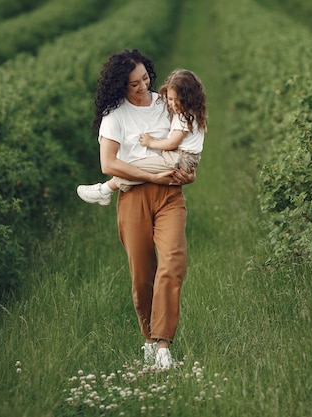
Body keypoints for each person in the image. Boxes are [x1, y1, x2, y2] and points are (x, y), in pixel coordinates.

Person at [78, 49, 197, 369]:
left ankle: (162, 345)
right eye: (133, 84)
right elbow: (108, 163)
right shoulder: (114, 116)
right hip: (134, 199)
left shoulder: (165, 104)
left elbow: (188, 138)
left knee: (172, 263)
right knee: (142, 274)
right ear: (120, 86)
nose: (143, 86)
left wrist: (189, 169)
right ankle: (147, 338)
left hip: (171, 195)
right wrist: (148, 174)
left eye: (145, 78)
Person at [76, 68, 207, 205]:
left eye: (179, 100)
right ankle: (104, 191)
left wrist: (151, 142)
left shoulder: (185, 117)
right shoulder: (191, 112)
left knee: (135, 167)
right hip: (182, 158)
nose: (173, 104)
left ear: (190, 98)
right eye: (170, 99)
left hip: (179, 158)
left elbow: (171, 144)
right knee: (137, 168)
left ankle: (104, 190)